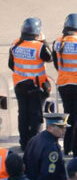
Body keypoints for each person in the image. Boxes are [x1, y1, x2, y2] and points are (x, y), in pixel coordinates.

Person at [10, 16, 53, 147]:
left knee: (23, 115)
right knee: (36, 116)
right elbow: (50, 57)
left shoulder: (16, 44)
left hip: (19, 85)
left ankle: (24, 142)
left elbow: (11, 64)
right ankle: (35, 143)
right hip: (36, 86)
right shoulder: (39, 47)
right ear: (37, 32)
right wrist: (44, 40)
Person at [24, 111, 67, 180]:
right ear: (49, 128)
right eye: (60, 127)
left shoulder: (34, 139)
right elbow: (49, 176)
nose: (64, 130)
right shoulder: (51, 147)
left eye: (65, 127)